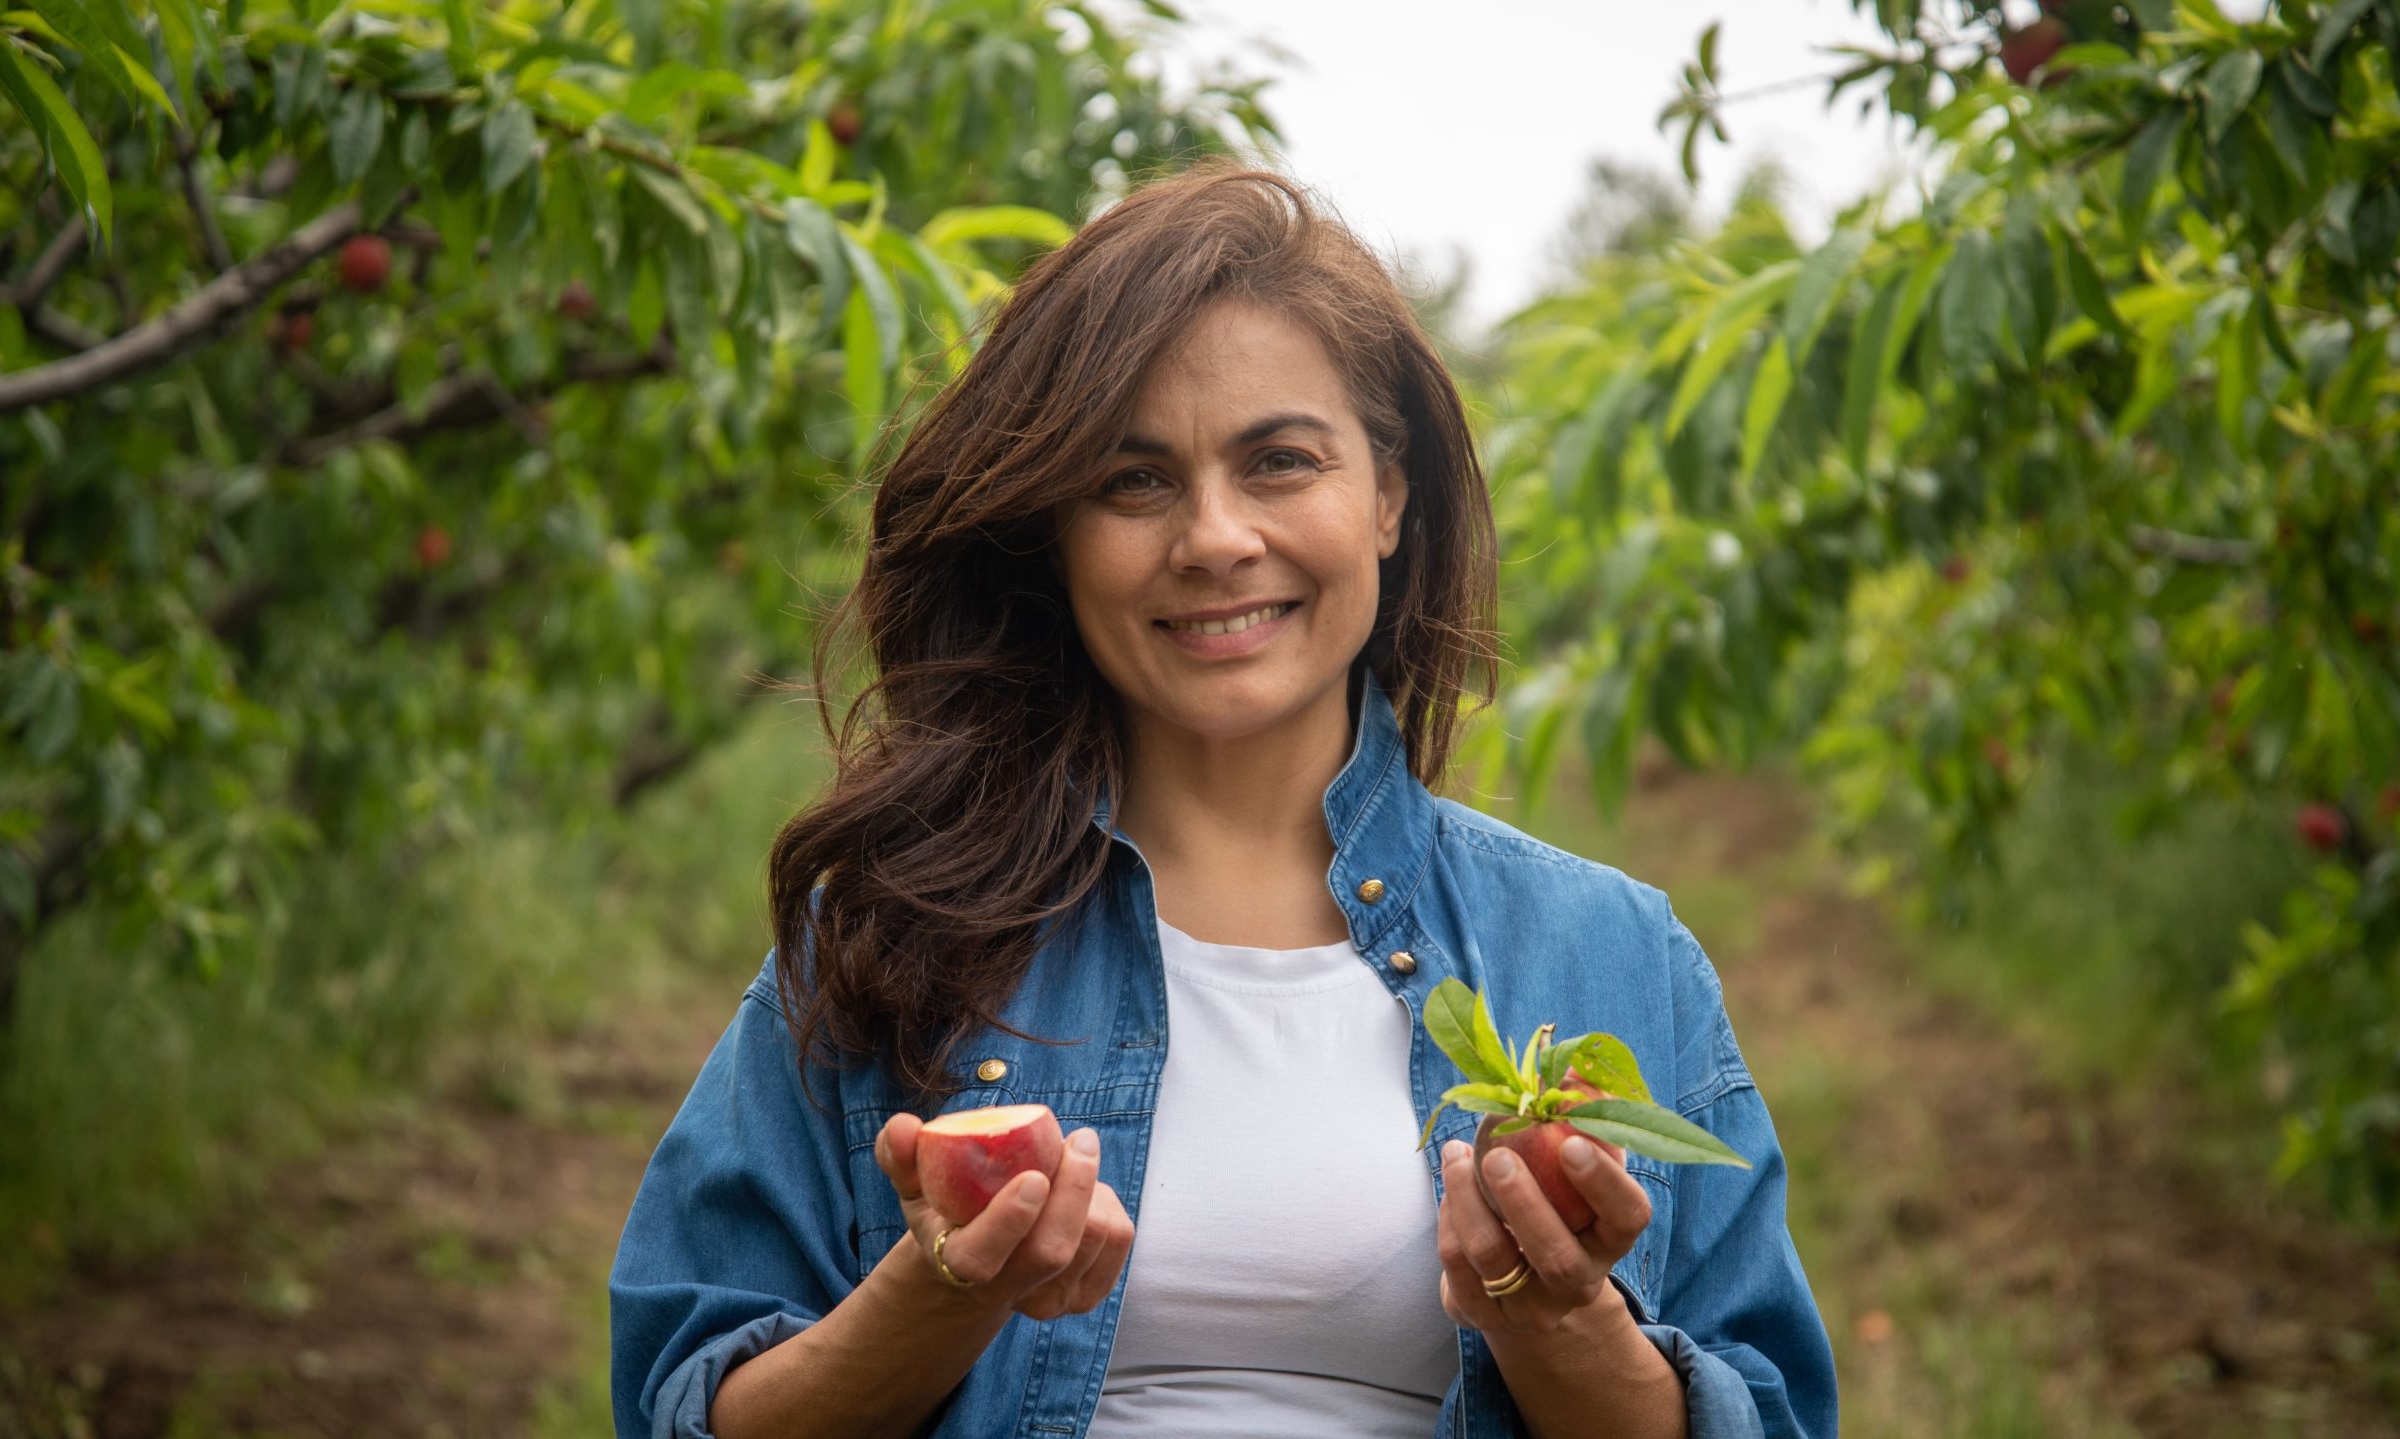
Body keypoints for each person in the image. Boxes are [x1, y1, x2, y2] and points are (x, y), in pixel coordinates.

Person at [608, 161, 1838, 1439]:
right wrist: (939, 1296)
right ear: (1057, 534)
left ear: (1388, 498)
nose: (1212, 537)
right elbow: (675, 1405)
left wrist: (1555, 1316)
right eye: (1133, 481)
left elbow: (1776, 1412)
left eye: (1279, 461)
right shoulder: (894, 930)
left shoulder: (1608, 957)